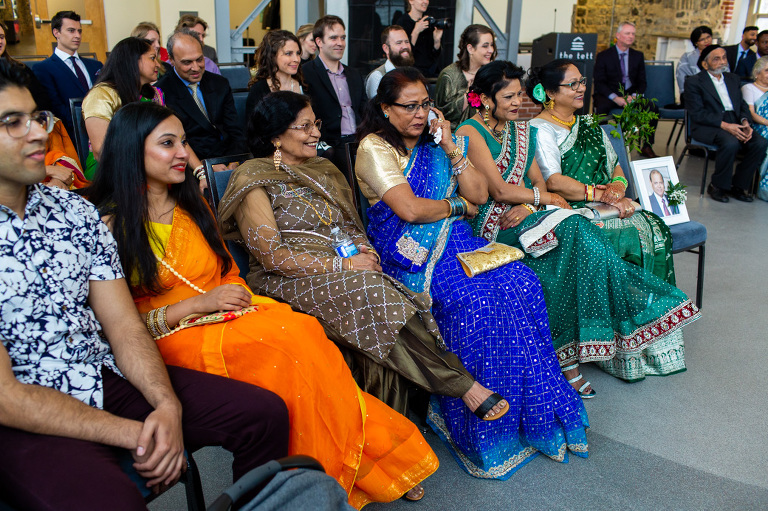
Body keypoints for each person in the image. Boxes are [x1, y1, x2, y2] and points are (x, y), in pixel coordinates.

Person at [87, 100, 437, 507]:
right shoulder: (108, 225)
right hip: (172, 334)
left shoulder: (190, 204)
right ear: (131, 150)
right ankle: (357, 464)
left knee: (303, 333)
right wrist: (199, 305)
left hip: (226, 310)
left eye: (183, 141)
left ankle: (349, 463)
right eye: (169, 144)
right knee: (287, 351)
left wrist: (232, 297)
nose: (185, 153)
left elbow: (225, 272)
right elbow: (120, 328)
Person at [0, 59, 289, 510]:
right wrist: (139, 431)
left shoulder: (72, 213)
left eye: (37, 117)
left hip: (102, 377)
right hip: (23, 413)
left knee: (264, 415)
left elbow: (124, 328)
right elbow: (7, 397)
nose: (39, 133)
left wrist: (166, 406)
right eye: (11, 123)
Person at [219, 91, 511, 423]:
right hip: (288, 278)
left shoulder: (323, 169)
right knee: (372, 294)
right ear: (275, 136)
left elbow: (351, 224)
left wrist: (366, 250)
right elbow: (272, 257)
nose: (316, 133)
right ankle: (463, 385)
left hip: (345, 268)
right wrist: (343, 264)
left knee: (374, 329)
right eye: (303, 127)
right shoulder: (253, 177)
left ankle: (389, 435)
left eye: (316, 123)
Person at [356, 67, 589, 479]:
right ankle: (477, 421)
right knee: (476, 302)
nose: (419, 114)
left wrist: (449, 145)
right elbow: (411, 210)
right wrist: (459, 208)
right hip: (410, 250)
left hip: (459, 241)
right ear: (384, 109)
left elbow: (480, 193)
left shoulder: (437, 141)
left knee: (522, 283)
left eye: (425, 105)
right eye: (409, 106)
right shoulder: (374, 148)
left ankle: (525, 408)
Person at [457, 60, 699, 388]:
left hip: (528, 215)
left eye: (519, 95)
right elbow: (497, 191)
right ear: (486, 100)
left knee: (577, 240)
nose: (517, 103)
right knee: (573, 233)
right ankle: (636, 306)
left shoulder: (520, 128)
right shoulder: (470, 132)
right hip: (493, 223)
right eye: (509, 97)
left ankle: (568, 356)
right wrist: (543, 200)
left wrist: (532, 202)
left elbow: (539, 184)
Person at [528, 59, 676, 284]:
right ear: (550, 92)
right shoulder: (541, 127)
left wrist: (617, 187)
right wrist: (604, 197)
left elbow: (615, 164)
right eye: (572, 84)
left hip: (606, 203)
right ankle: (612, 305)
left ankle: (644, 303)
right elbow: (553, 181)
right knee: (618, 233)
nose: (581, 89)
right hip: (569, 209)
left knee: (654, 225)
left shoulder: (588, 123)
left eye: (582, 82)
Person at [156, 29, 245, 183]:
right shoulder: (162, 92)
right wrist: (208, 167)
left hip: (229, 159)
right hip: (191, 166)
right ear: (171, 60)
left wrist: (234, 162)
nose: (196, 67)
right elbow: (177, 142)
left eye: (199, 59)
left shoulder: (219, 83)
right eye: (187, 62)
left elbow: (234, 129)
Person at [685, 44, 768, 202]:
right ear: (705, 63)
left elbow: (742, 106)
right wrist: (725, 125)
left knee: (760, 143)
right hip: (709, 125)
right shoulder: (694, 82)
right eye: (717, 59)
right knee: (730, 142)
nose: (722, 62)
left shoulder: (733, 79)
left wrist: (745, 122)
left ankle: (738, 185)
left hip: (735, 121)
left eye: (724, 58)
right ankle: (718, 186)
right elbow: (698, 113)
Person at [82, 37, 163, 179]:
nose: (157, 64)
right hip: (111, 170)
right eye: (152, 58)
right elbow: (102, 151)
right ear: (133, 60)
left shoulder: (154, 94)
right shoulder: (102, 95)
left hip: (150, 162)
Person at [301, 16, 366, 177]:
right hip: (329, 145)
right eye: (333, 38)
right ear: (319, 42)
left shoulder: (354, 74)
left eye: (342, 38)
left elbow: (364, 110)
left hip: (358, 142)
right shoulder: (305, 73)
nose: (340, 43)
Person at [592, 21, 658, 158]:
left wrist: (634, 96)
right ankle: (603, 145)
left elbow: (642, 81)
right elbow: (599, 82)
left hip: (631, 95)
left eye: (633, 34)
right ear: (618, 35)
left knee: (652, 108)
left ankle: (647, 146)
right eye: (627, 33)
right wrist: (616, 98)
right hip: (610, 95)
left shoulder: (638, 56)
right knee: (601, 108)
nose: (631, 36)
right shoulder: (604, 56)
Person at [33, 10, 103, 135]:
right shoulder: (43, 68)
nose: (77, 35)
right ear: (56, 32)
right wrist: (88, 124)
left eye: (79, 31)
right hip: (71, 133)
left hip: (103, 127)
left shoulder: (95, 65)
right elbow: (55, 108)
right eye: (71, 31)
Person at [435, 24, 496, 130]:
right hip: (455, 136)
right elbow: (442, 114)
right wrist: (469, 94)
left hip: (488, 133)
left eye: (492, 45)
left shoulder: (492, 74)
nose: (491, 50)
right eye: (485, 46)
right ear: (470, 48)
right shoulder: (449, 75)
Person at [246, 30, 304, 121]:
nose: (296, 59)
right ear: (272, 56)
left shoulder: (305, 85)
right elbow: (253, 130)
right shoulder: (259, 90)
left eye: (298, 53)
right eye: (288, 53)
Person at [741, 55, 768, 201]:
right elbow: (750, 113)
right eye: (767, 70)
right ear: (757, 73)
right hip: (758, 127)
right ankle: (765, 188)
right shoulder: (748, 88)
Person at [396, 0, 444, 78]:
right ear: (411, 1)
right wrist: (416, 31)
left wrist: (437, 40)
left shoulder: (429, 22)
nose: (425, 2)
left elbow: (435, 55)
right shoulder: (402, 22)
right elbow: (404, 55)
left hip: (431, 74)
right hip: (411, 74)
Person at [365, 25, 414, 100]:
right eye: (399, 43)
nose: (405, 46)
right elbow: (379, 110)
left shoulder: (414, 74)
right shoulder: (378, 77)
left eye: (407, 42)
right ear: (386, 48)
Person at [677, 25, 713, 105]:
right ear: (696, 43)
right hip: (693, 93)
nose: (706, 41)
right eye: (702, 39)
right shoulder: (687, 57)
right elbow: (681, 78)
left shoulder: (719, 56)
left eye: (708, 37)